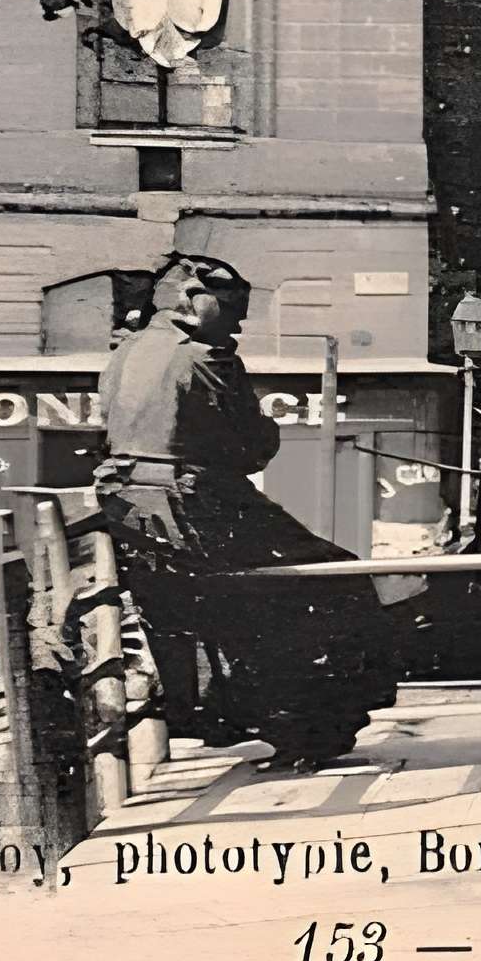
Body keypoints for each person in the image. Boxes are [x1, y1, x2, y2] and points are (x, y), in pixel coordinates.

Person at [94, 255, 399, 771]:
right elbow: (252, 450)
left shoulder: (127, 352)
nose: (238, 324)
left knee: (265, 594)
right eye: (233, 310)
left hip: (138, 508)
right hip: (199, 507)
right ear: (195, 301)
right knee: (334, 578)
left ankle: (278, 718)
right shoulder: (207, 358)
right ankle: (312, 723)